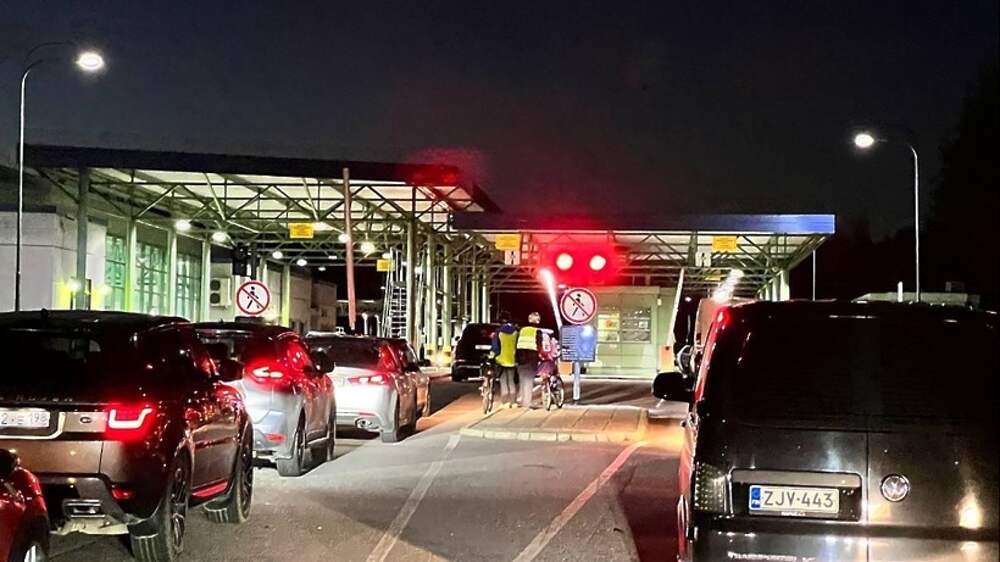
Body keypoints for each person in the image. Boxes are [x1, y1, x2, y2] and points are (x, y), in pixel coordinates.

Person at [490, 311, 519, 408]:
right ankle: (513, 402)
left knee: (503, 381)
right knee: (511, 380)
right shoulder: (516, 332)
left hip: (501, 360)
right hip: (512, 359)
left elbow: (495, 347)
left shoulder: (498, 332)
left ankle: (505, 402)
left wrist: (492, 356)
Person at [515, 311, 543, 408]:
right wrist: (541, 356)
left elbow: (516, 344)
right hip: (531, 358)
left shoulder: (522, 330)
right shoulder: (537, 331)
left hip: (520, 357)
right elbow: (539, 346)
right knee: (529, 381)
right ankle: (526, 403)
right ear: (538, 321)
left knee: (522, 379)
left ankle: (522, 400)